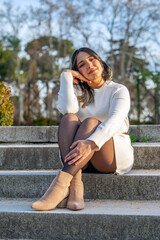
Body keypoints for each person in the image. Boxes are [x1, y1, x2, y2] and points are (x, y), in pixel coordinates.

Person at [31, 47, 134, 211]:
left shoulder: (118, 90)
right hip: (80, 158)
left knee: (91, 122)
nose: (89, 65)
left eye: (92, 59)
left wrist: (90, 143)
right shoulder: (77, 91)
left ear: (100, 61)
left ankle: (57, 190)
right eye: (82, 64)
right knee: (69, 118)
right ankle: (75, 185)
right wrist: (65, 78)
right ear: (77, 72)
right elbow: (67, 110)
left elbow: (114, 122)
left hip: (110, 156)